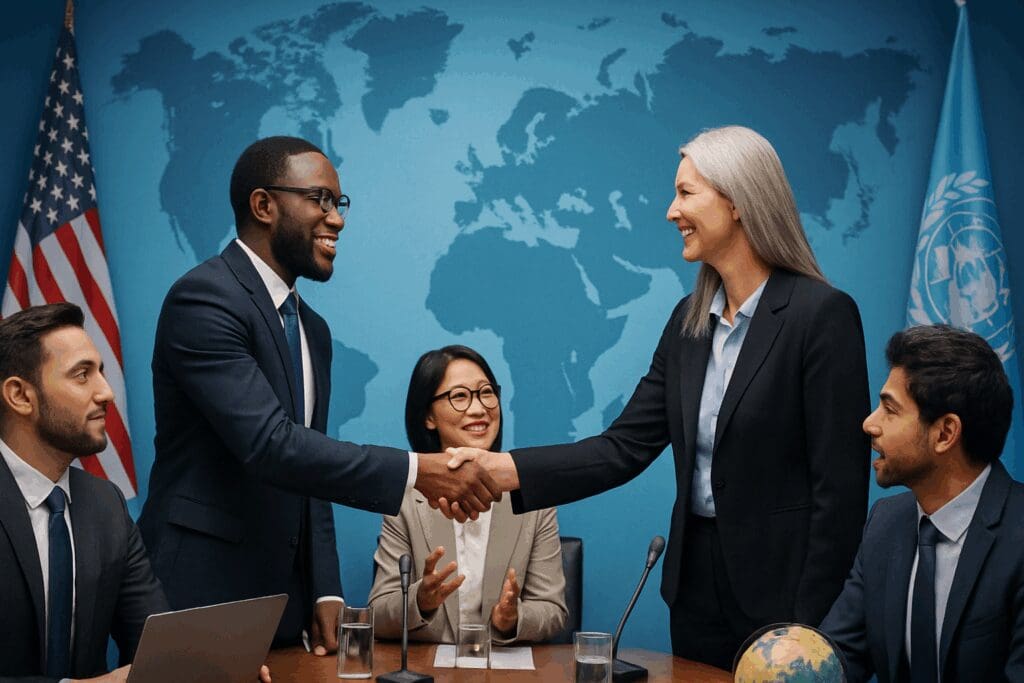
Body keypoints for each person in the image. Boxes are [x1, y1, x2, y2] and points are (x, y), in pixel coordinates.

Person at [446, 126, 871, 669]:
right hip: (696, 594)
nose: (672, 211)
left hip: (784, 602)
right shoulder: (687, 324)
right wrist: (501, 468)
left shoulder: (821, 316)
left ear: (739, 201)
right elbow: (621, 448)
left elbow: (839, 493)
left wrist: (810, 627)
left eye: (686, 193)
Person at [137, 136, 499, 653]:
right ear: (264, 205)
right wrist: (421, 470)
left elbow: (309, 464)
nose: (337, 219)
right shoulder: (204, 299)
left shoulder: (312, 328)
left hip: (285, 605)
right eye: (321, 200)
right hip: (200, 591)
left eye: (339, 203)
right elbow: (271, 444)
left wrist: (326, 587)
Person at [821, 325, 1024, 682]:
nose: (869, 423)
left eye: (889, 409)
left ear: (945, 433)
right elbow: (838, 657)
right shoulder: (885, 522)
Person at [0, 303, 168, 682]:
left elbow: (152, 637)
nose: (106, 393)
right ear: (20, 396)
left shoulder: (105, 504)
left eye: (101, 373)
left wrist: (205, 665)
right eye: (82, 375)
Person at [369, 346, 567, 644]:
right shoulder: (407, 499)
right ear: (428, 417)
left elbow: (553, 611)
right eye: (459, 396)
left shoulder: (531, 498)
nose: (479, 409)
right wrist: (419, 601)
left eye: (486, 392)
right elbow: (378, 614)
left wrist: (513, 618)